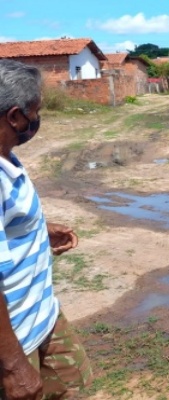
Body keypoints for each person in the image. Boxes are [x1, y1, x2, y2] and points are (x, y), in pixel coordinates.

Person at [0, 59, 92, 400]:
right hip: (13, 343)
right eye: (35, 111)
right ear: (15, 116)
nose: (37, 120)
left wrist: (37, 230)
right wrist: (12, 365)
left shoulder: (6, 157)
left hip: (41, 315)